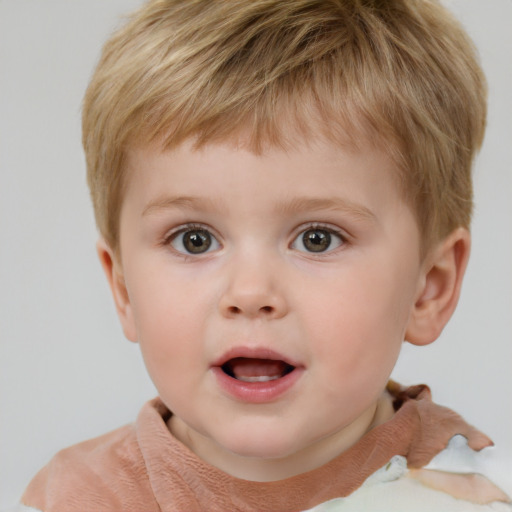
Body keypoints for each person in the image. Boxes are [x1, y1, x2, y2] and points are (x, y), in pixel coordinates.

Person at [17, 0, 511, 510]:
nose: (250, 293)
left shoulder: (470, 489)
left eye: (317, 238)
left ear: (429, 287)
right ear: (123, 289)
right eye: (195, 240)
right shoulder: (77, 498)